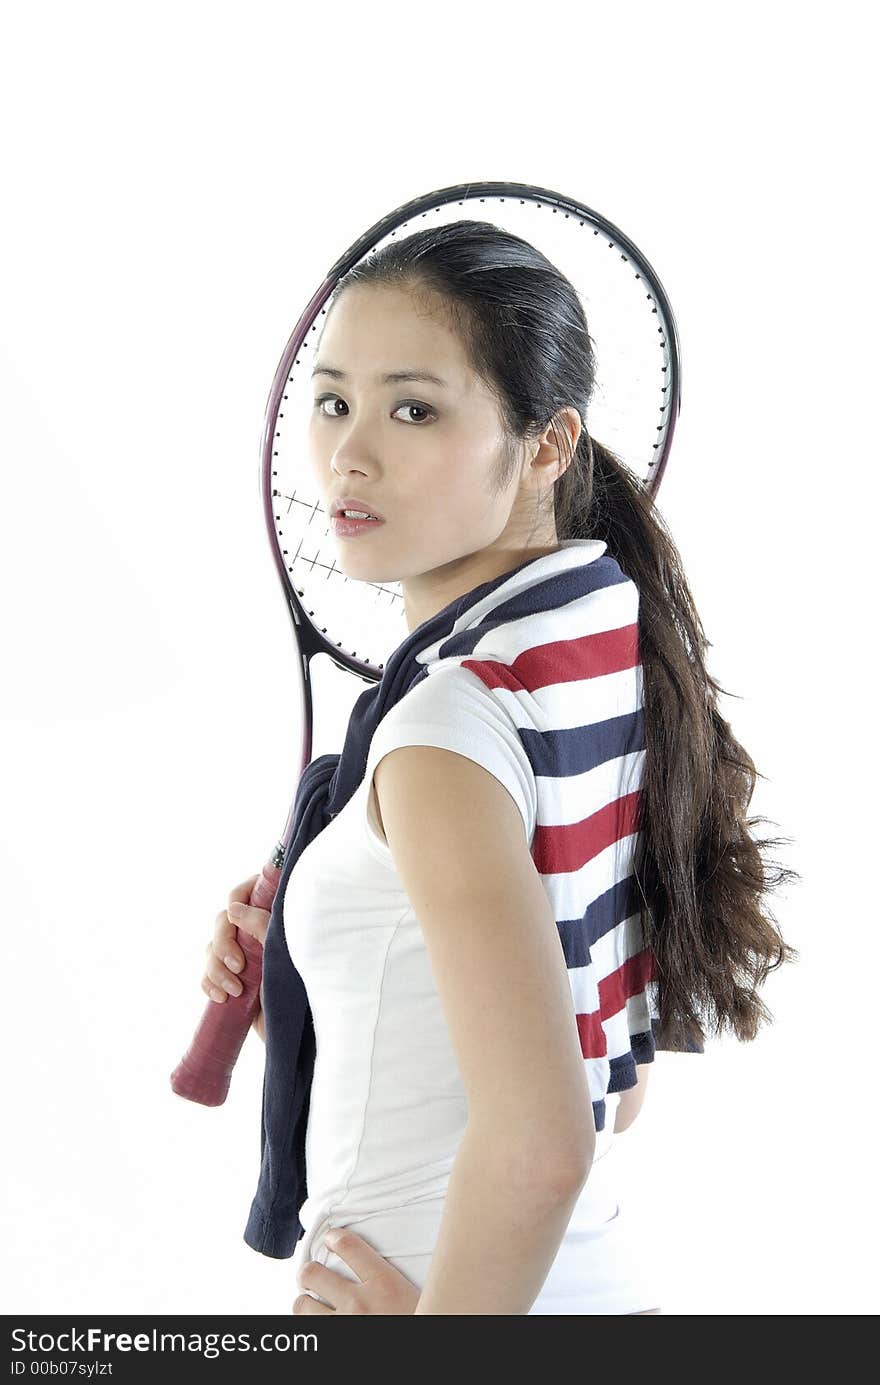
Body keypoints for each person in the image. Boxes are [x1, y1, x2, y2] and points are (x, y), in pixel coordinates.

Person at [201, 221, 799, 1314]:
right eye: (333, 401)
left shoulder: (443, 729)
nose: (351, 453)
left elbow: (541, 1144)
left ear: (546, 443)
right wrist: (321, 950)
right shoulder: (584, 665)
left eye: (413, 407)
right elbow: (606, 1095)